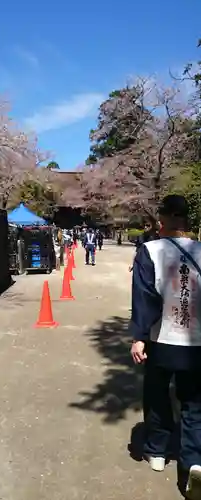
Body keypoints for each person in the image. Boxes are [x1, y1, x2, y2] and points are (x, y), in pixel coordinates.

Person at [129, 194, 201, 499]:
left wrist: (139, 336)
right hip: (197, 344)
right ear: (185, 219)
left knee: (157, 395)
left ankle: (157, 452)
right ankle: (194, 461)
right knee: (195, 404)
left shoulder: (150, 251)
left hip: (162, 341)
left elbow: (145, 297)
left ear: (163, 220)